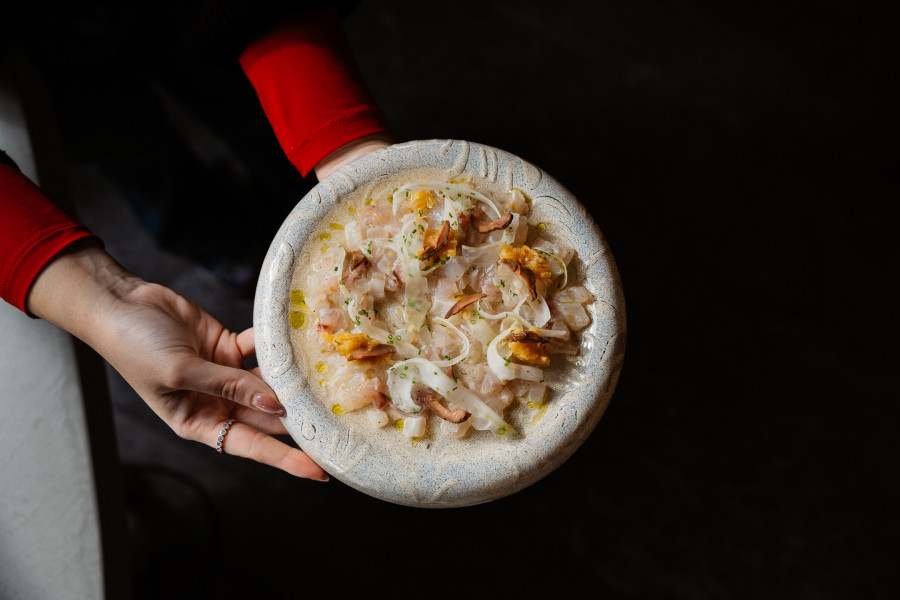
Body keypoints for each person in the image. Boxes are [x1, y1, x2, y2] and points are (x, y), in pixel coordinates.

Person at [0, 2, 394, 481]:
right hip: (36, 37)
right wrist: (105, 298)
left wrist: (346, 155)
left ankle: (290, 202)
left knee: (248, 111)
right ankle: (222, 245)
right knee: (128, 150)